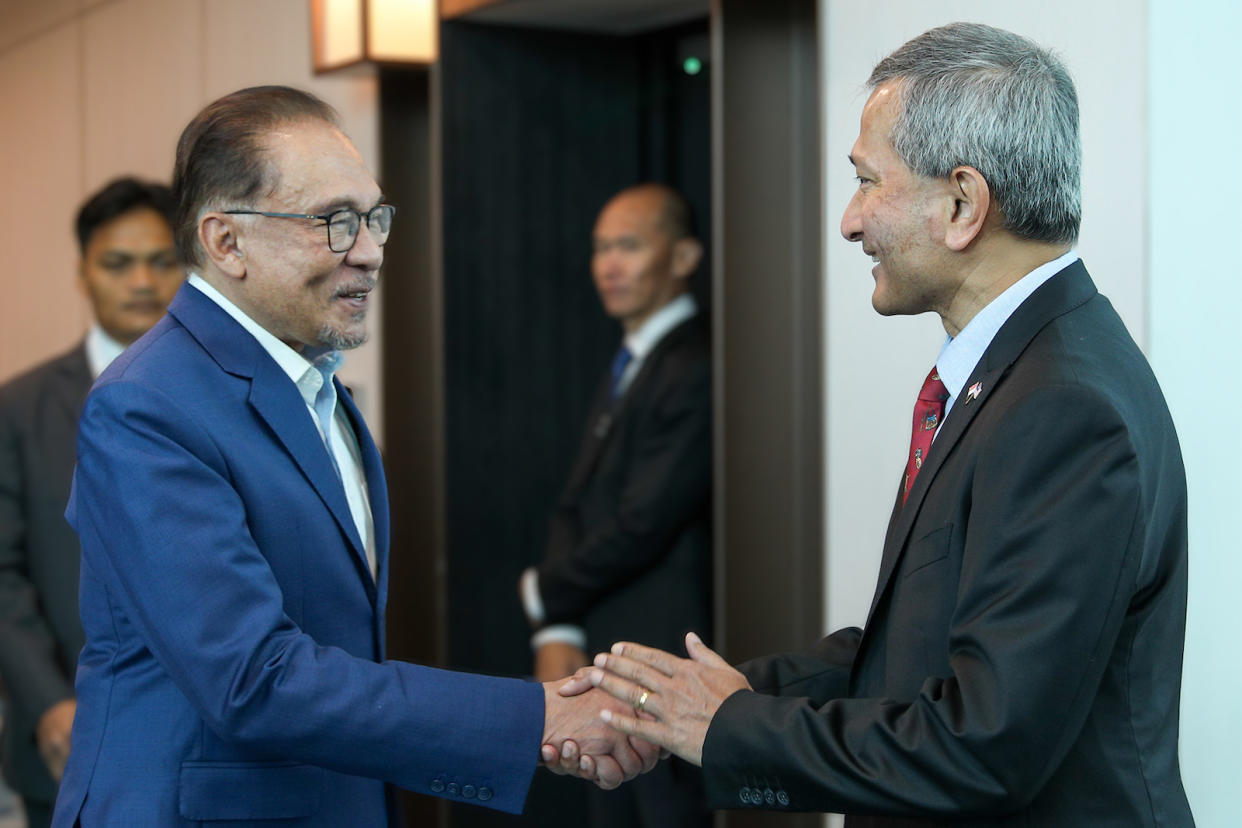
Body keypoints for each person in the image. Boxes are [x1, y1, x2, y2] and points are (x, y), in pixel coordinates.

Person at [571, 22, 1195, 827]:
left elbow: (982, 745)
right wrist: (699, 703)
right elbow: (914, 653)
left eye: (867, 181)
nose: (849, 221)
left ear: (963, 203)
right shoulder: (1026, 369)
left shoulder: (1061, 407)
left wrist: (729, 727)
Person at [53, 85, 652, 827]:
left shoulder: (314, 381)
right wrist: (537, 720)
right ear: (225, 242)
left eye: (373, 217)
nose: (370, 251)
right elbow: (252, 678)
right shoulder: (146, 405)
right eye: (333, 223)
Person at [519, 183, 712, 828]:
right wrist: (559, 627)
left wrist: (545, 592)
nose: (609, 265)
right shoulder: (630, 360)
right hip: (606, 652)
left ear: (684, 257)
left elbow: (642, 521)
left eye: (629, 246)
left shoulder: (696, 361)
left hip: (666, 661)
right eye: (601, 248)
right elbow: (576, 504)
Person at [0, 177, 182, 828]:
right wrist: (48, 701)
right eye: (118, 263)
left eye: (162, 261)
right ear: (83, 272)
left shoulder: (229, 399)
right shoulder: (18, 409)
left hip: (212, 742)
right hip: (69, 738)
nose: (142, 281)